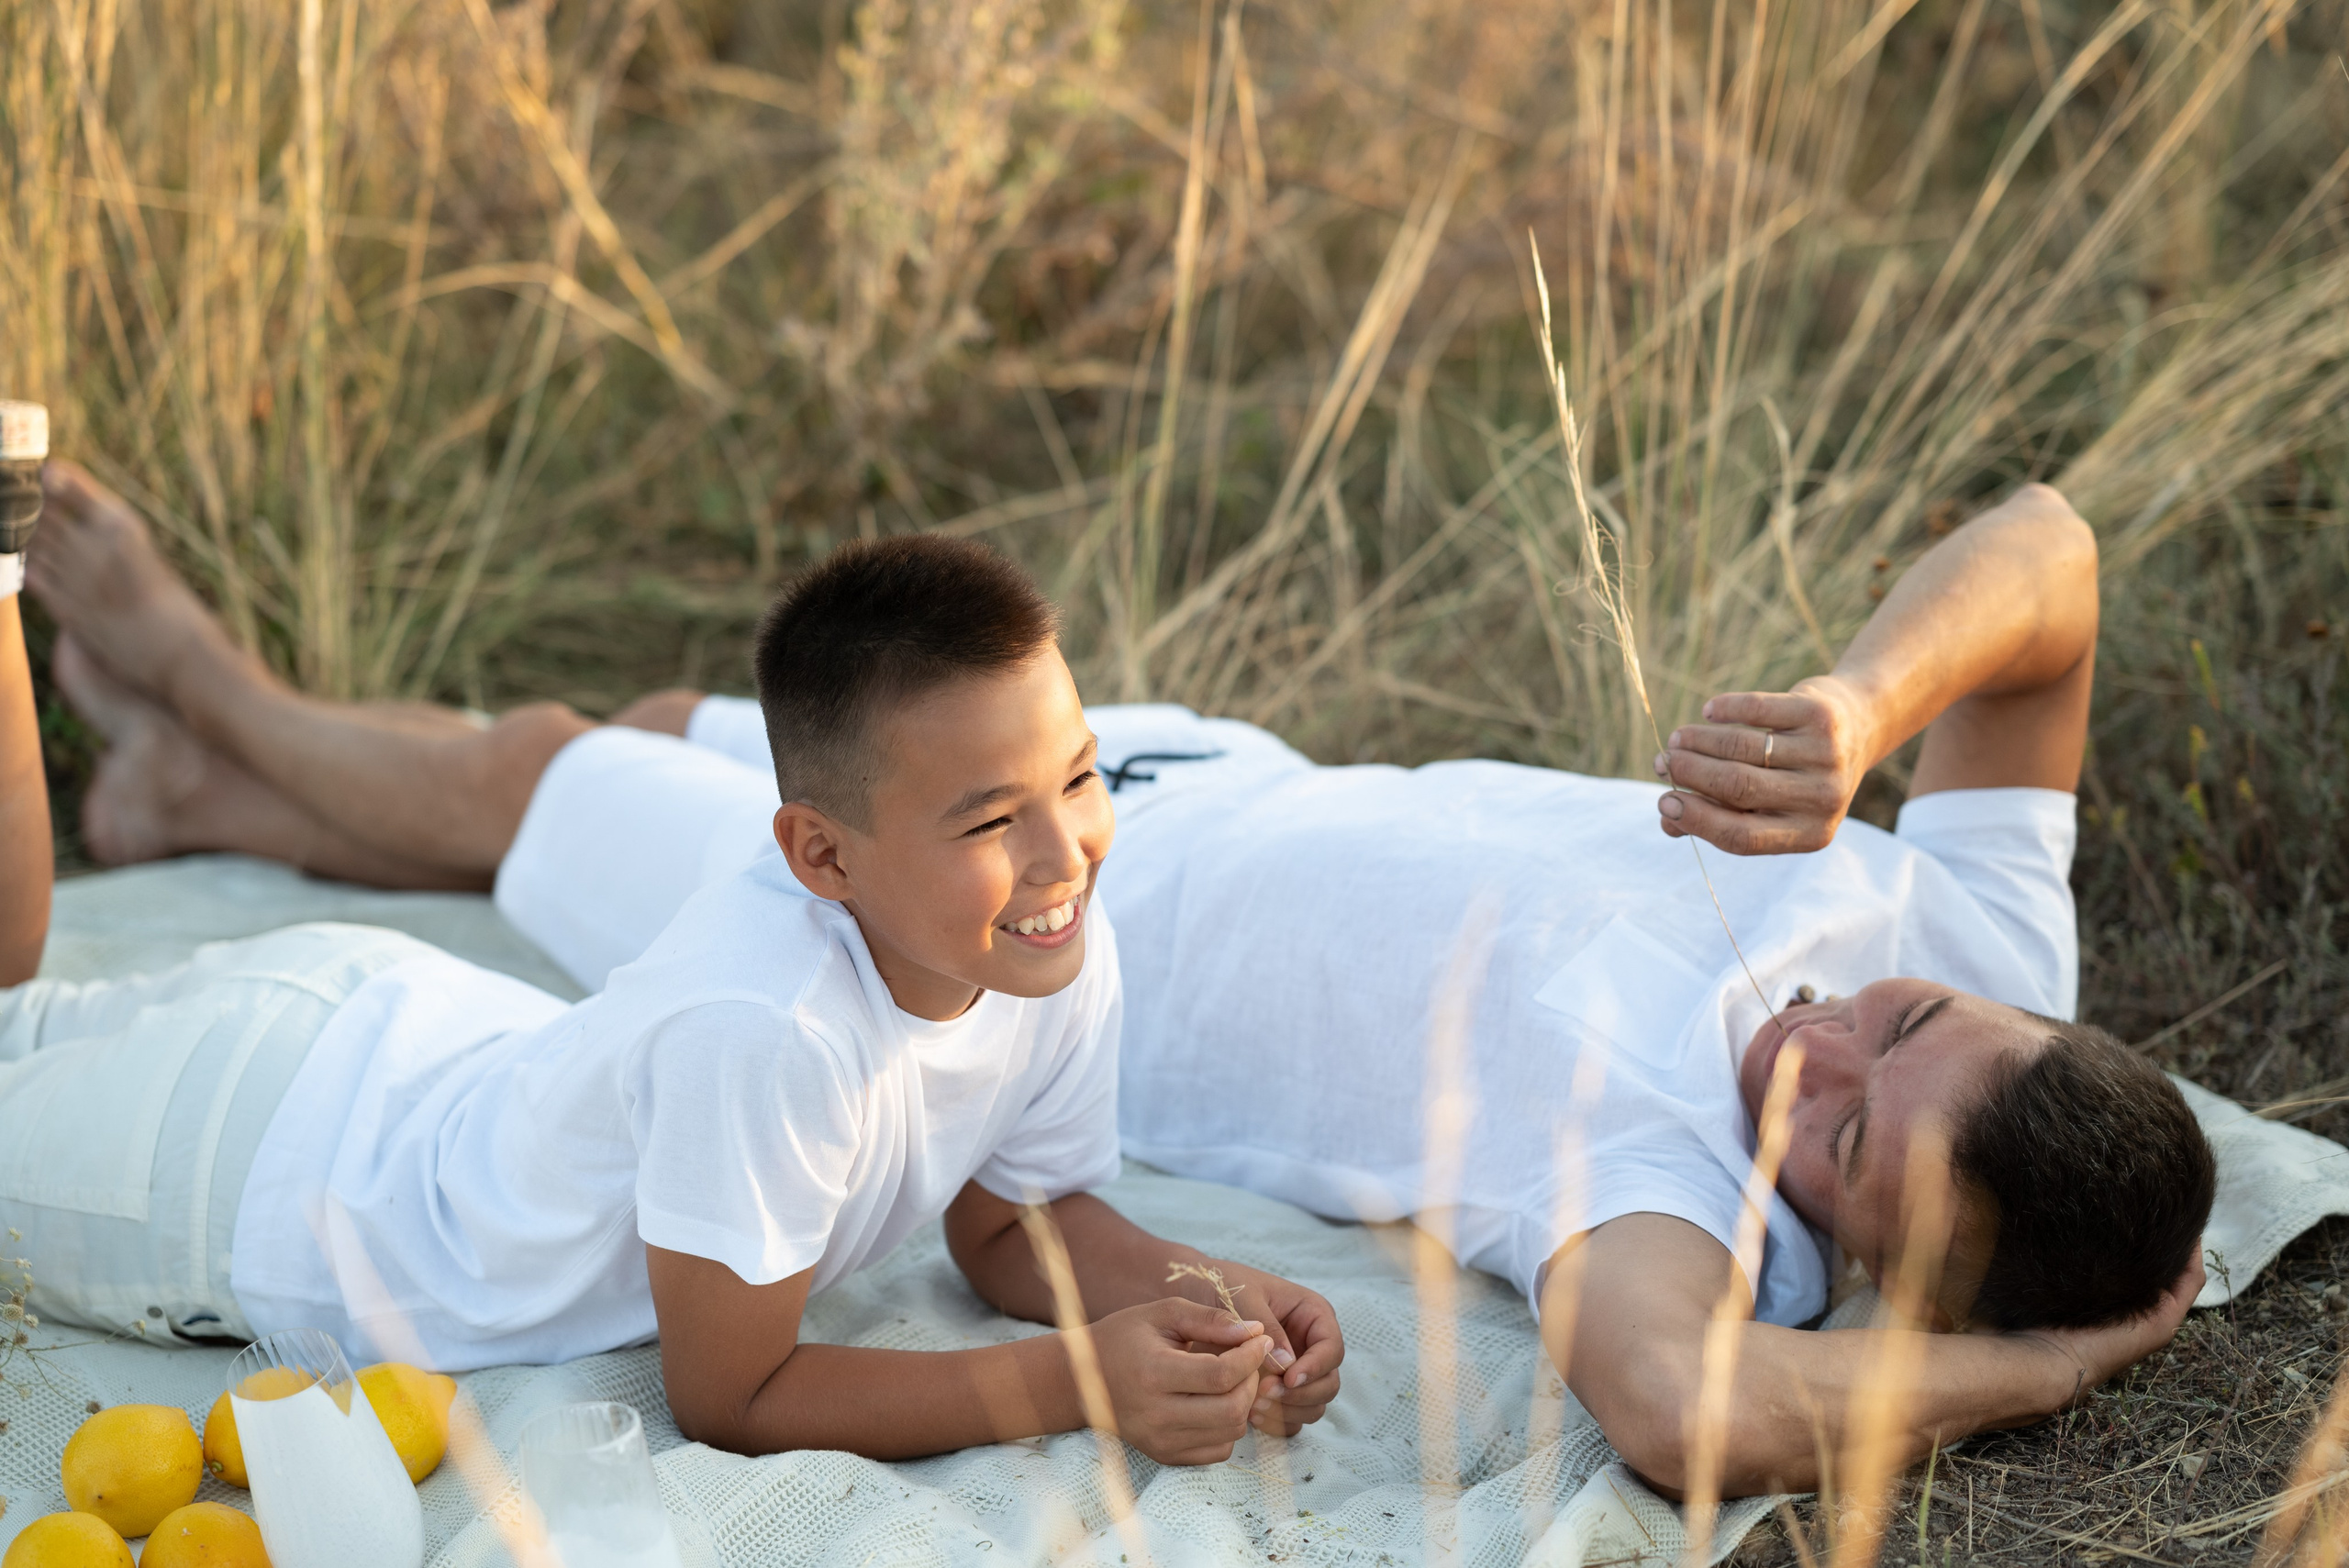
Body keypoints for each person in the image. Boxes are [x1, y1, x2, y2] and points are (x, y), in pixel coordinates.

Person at [33, 465, 2210, 1498]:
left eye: (1833, 1154)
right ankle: (191, 790)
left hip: (989, 929)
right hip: (1140, 783)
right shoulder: (1979, 930)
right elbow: (2049, 561)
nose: (1813, 1056)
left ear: (1839, 1260)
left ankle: (200, 701)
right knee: (680, 704)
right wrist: (1855, 710)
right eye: (1898, 1030)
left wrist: (2066, 1369)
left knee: (545, 772)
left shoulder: (1662, 1185)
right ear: (2013, 1003)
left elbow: (1679, 1411)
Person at [3, 472, 1347, 1465]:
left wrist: (1205, 1298)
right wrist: (1079, 1381)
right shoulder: (770, 1028)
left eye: (1078, 775)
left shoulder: (1043, 937)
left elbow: (1009, 1224)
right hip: (256, 1178)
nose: (1067, 851)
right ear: (822, 855)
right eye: (993, 819)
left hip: (388, 1027)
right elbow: (735, 1395)